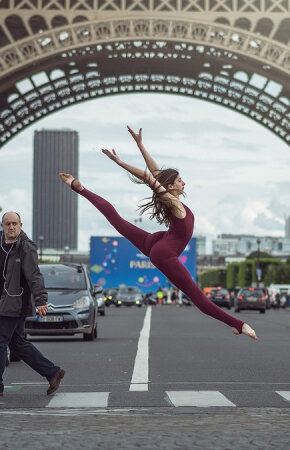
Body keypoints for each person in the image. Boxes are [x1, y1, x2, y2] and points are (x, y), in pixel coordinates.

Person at [59, 125, 257, 340]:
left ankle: (79, 188)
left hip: (158, 241)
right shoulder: (175, 203)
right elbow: (149, 177)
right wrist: (121, 162)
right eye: (180, 180)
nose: (184, 182)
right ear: (171, 186)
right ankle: (239, 323)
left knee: (117, 221)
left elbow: (154, 174)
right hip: (164, 251)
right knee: (197, 297)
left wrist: (140, 145)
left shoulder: (173, 200)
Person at [0, 211, 66, 396]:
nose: (11, 227)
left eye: (14, 223)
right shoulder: (2, 245)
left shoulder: (25, 247)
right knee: (17, 343)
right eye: (7, 224)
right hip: (6, 300)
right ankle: (52, 372)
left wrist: (41, 300)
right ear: (2, 226)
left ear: (20, 225)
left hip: (14, 300)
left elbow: (34, 274)